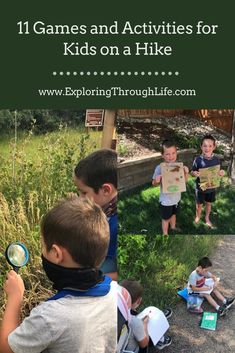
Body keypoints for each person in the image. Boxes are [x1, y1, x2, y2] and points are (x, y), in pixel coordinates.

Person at [0, 196, 117, 353]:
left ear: (56, 253)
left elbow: (6, 348)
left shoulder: (49, 318)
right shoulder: (115, 290)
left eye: (43, 246)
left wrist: (15, 297)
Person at [74, 148, 118, 280]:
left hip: (103, 278)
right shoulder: (103, 209)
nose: (80, 198)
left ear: (105, 190)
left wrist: (95, 280)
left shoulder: (116, 224)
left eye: (84, 193)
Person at [120, 279, 172, 352]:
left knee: (136, 315)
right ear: (139, 301)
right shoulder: (135, 322)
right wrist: (144, 325)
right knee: (148, 329)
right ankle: (160, 338)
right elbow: (144, 344)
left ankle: (159, 318)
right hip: (130, 348)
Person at [152, 140, 189, 235]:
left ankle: (173, 227)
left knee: (173, 214)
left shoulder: (179, 167)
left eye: (173, 153)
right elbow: (154, 184)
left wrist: (186, 173)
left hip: (176, 198)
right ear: (162, 155)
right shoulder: (159, 168)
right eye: (167, 154)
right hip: (166, 201)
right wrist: (157, 180)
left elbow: (184, 182)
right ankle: (165, 233)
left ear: (176, 153)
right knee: (166, 218)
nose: (171, 156)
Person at [191, 134, 225, 228]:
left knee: (208, 204)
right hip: (200, 188)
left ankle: (206, 217)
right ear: (201, 147)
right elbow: (192, 171)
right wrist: (194, 173)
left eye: (210, 146)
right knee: (199, 204)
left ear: (214, 147)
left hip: (211, 188)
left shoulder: (216, 160)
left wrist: (221, 173)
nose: (207, 148)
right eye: (205, 146)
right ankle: (198, 216)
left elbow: (219, 172)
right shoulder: (197, 160)